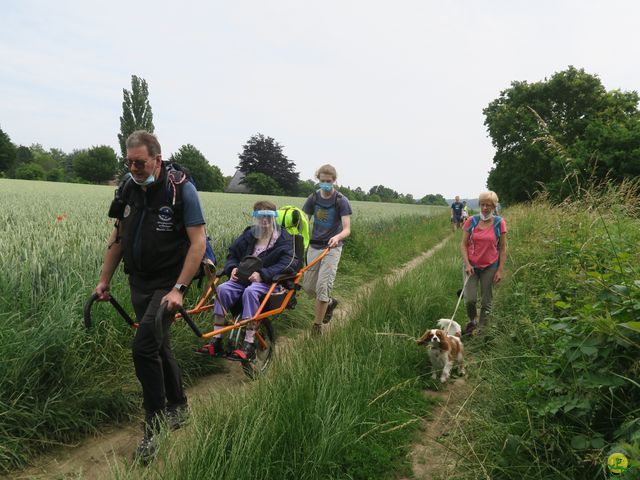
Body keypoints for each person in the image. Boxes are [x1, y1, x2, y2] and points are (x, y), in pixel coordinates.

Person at [93, 130, 206, 462]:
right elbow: (118, 238)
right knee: (159, 344)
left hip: (168, 282)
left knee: (143, 348)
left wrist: (179, 289)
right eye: (128, 161)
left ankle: (154, 425)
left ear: (157, 158)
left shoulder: (181, 190)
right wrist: (104, 281)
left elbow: (198, 243)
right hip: (139, 281)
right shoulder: (128, 188)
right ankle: (179, 406)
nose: (133, 167)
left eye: (139, 162)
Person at [197, 200, 299, 360]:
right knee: (222, 289)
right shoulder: (249, 234)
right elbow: (232, 253)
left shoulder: (284, 239)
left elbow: (289, 263)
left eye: (267, 217)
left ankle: (249, 344)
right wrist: (233, 268)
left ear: (273, 218)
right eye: (260, 217)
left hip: (269, 283)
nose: (264, 221)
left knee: (251, 292)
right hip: (243, 280)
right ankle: (216, 341)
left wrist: (263, 274)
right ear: (255, 218)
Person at [301, 164, 352, 335]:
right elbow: (304, 219)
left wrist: (337, 237)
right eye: (322, 181)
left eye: (328, 181)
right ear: (318, 180)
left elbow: (347, 229)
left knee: (323, 286)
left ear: (334, 180)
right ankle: (329, 303)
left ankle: (316, 327)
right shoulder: (313, 198)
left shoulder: (341, 200)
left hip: (332, 249)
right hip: (314, 246)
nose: (325, 184)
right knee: (308, 287)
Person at [460, 191, 507, 336]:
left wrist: (500, 270)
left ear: (494, 206)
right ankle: (473, 322)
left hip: (490, 266)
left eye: (489, 205)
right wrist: (467, 264)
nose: (485, 208)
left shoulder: (499, 222)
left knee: (486, 302)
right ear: (479, 205)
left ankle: (482, 330)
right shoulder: (471, 221)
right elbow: (463, 244)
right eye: (483, 204)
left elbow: (503, 247)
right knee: (470, 300)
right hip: (471, 267)